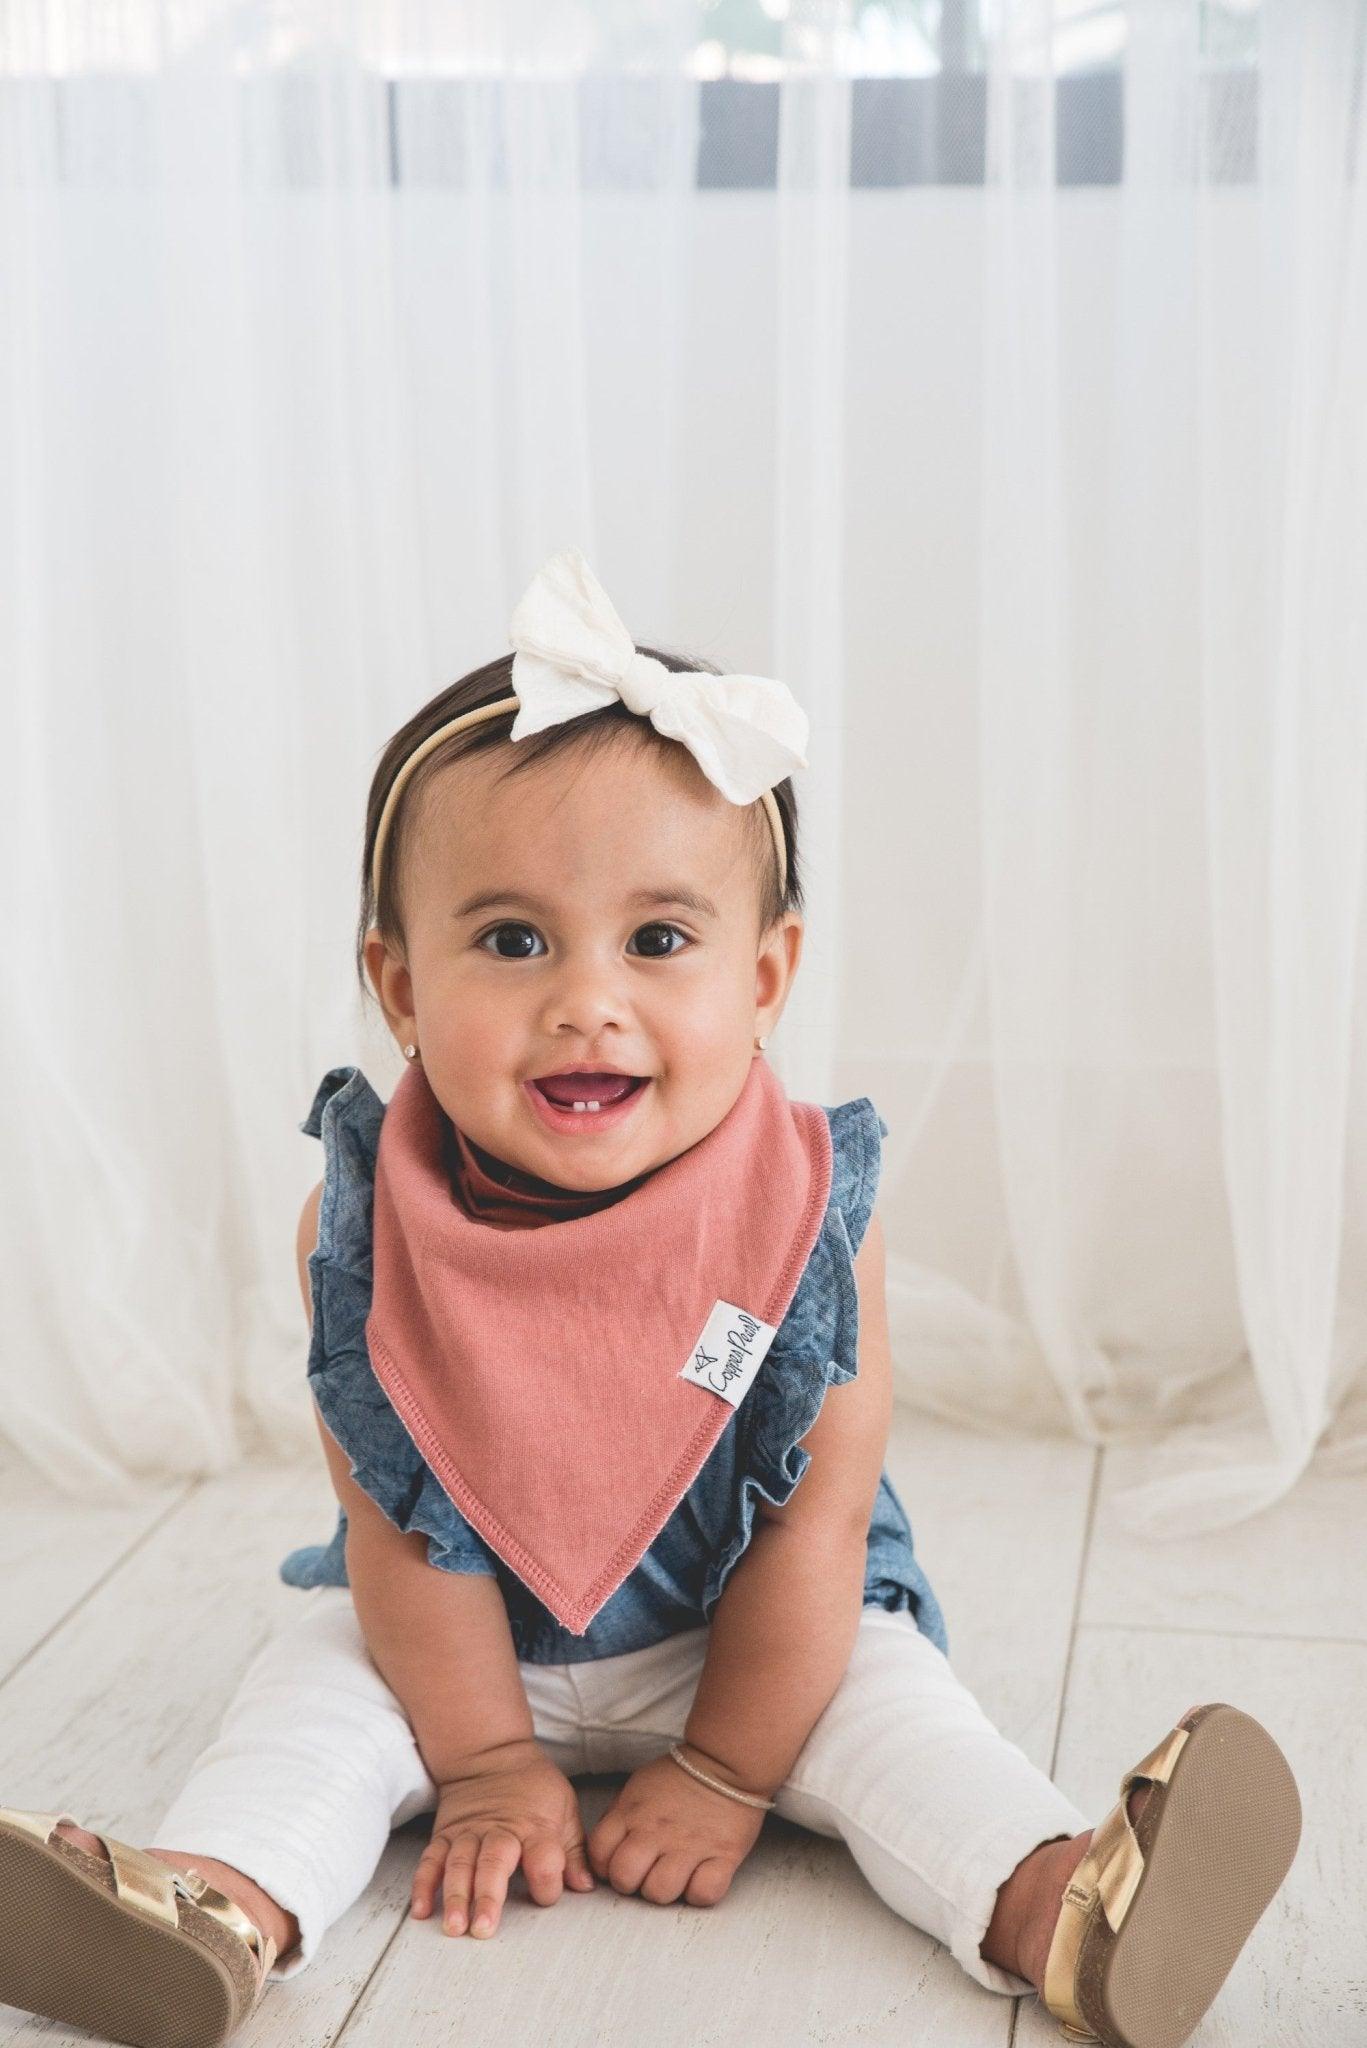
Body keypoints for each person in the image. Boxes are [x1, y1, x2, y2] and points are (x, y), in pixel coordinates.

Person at [0, 550, 1301, 2048]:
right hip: (463, 1637)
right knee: (310, 1694)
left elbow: (814, 1524)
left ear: (767, 976)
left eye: (659, 940)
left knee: (905, 1721)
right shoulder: (361, 1226)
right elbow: (394, 1520)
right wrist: (484, 1762)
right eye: (510, 940)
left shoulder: (810, 1218)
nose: (586, 998)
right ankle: (218, 1908)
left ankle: (1064, 1905)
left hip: (751, 1635)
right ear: (401, 985)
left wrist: (731, 1772)